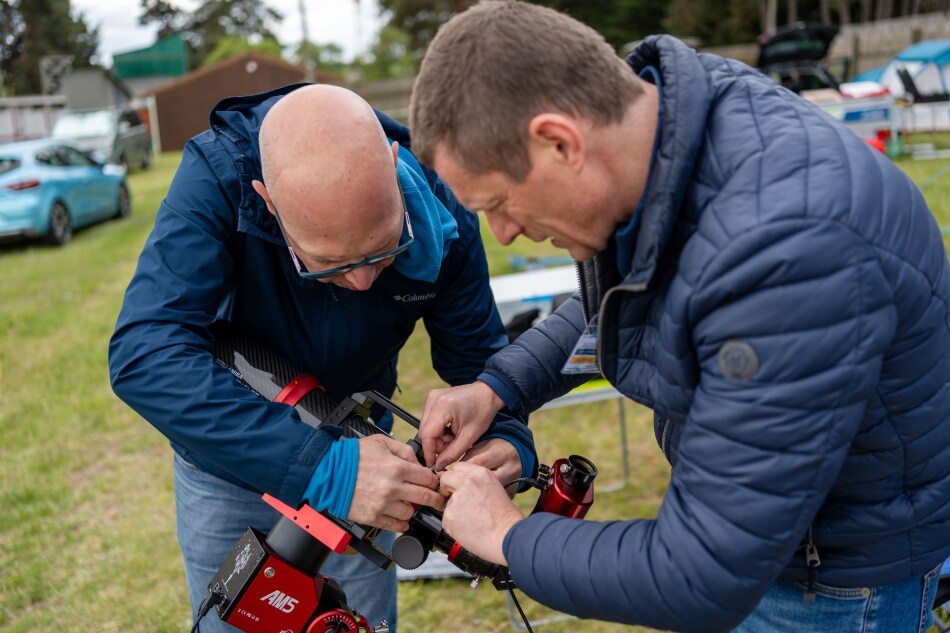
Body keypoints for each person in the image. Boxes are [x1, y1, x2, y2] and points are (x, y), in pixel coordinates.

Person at [408, 2, 950, 632]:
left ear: (560, 142)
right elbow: (618, 303)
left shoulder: (784, 250)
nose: (501, 234)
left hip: (828, 584)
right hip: (788, 546)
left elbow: (703, 572)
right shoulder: (673, 129)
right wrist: (497, 388)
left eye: (499, 202)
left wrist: (507, 536)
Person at [108, 84, 535, 633]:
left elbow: (480, 362)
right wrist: (321, 467)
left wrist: (508, 435)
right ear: (267, 201)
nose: (360, 282)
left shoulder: (440, 208)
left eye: (384, 250)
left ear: (393, 163)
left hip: (372, 469)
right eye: (328, 264)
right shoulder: (220, 177)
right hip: (233, 469)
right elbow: (145, 352)